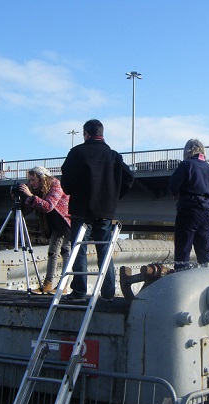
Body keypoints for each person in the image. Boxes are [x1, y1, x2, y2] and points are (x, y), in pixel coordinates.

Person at [60, 119, 134, 302]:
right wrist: (114, 196)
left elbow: (67, 183)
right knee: (105, 250)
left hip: (81, 210)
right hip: (105, 212)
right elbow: (129, 176)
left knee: (80, 250)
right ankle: (108, 293)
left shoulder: (76, 153)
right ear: (102, 133)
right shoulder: (114, 156)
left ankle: (79, 291)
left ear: (86, 133)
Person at [13, 166, 71, 295]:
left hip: (65, 222)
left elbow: (48, 206)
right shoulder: (39, 189)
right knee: (52, 252)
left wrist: (30, 195)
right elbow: (27, 210)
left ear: (42, 178)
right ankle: (48, 285)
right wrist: (19, 198)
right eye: (30, 180)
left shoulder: (56, 184)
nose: (31, 183)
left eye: (33, 180)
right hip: (55, 224)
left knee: (66, 251)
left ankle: (63, 285)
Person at [168, 139, 209, 271]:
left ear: (187, 151)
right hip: (206, 213)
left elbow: (172, 185)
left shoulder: (186, 165)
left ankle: (180, 284)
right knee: (204, 254)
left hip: (188, 210)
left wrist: (177, 194)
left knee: (182, 253)